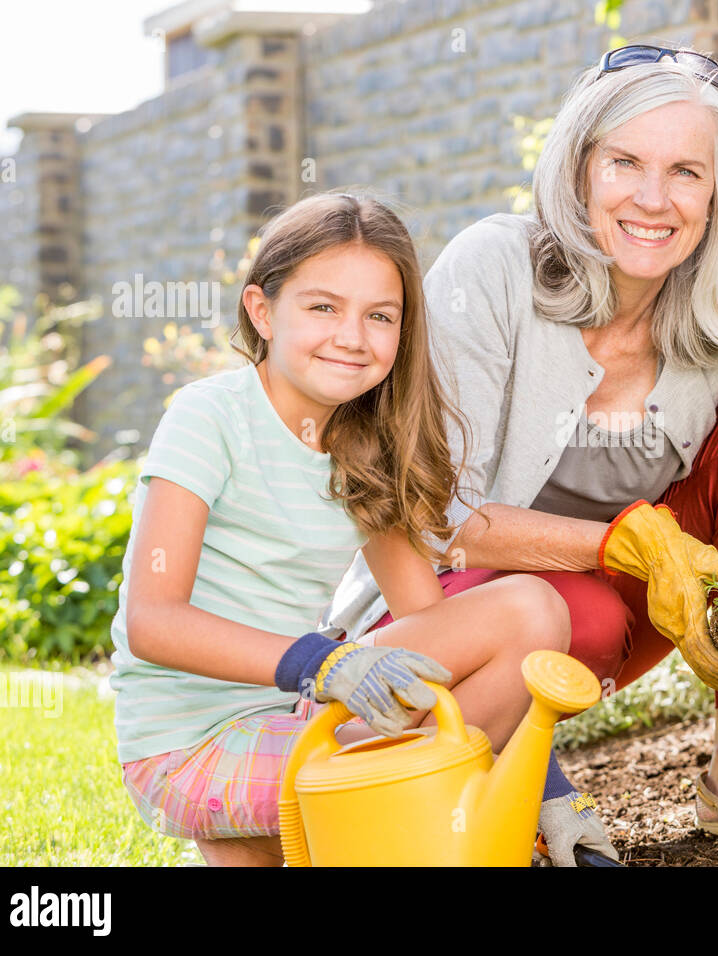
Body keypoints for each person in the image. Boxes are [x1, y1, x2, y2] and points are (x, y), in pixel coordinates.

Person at [322, 44, 718, 862]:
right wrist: (622, 544)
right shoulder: (496, 267)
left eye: (686, 172)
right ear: (579, 172)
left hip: (635, 602)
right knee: (585, 614)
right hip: (445, 607)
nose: (652, 198)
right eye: (625, 162)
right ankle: (511, 777)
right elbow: (434, 517)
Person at [110, 192, 577, 866]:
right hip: (191, 745)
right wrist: (325, 663)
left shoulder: (364, 443)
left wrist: (540, 781)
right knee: (400, 822)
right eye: (322, 307)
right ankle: (360, 828)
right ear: (262, 311)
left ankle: (302, 835)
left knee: (530, 609)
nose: (352, 336)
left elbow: (433, 631)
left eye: (379, 316)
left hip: (302, 721)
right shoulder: (209, 415)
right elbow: (153, 622)